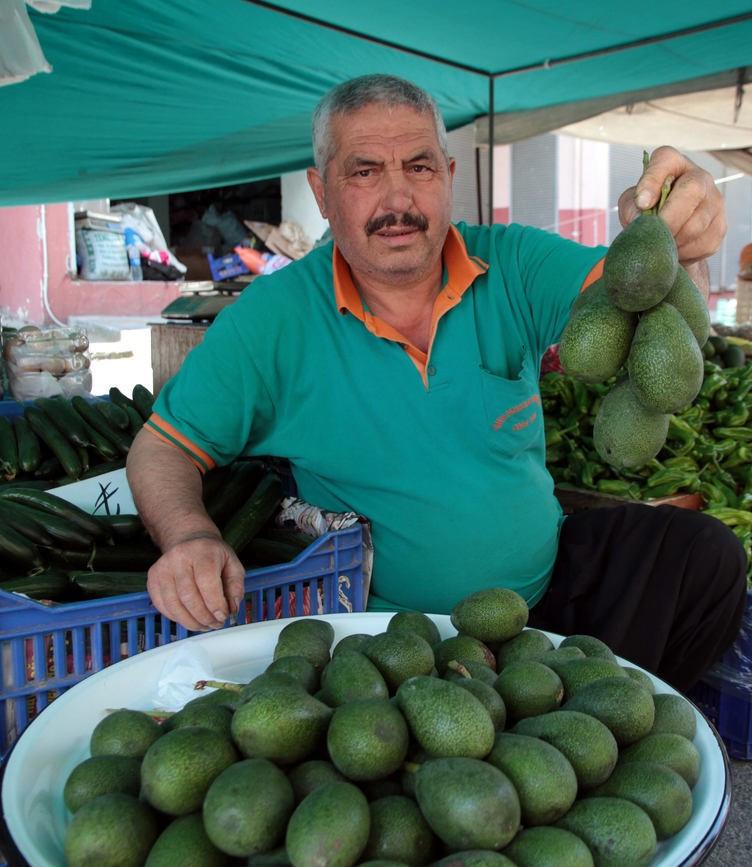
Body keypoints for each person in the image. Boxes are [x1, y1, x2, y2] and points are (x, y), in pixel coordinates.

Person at [126, 74, 746, 692]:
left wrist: (680, 238)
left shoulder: (512, 263)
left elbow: (648, 306)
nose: (397, 199)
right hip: (390, 646)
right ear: (321, 190)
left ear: (448, 176)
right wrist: (189, 536)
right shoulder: (270, 320)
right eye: (364, 171)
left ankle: (602, 728)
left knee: (703, 554)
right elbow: (164, 447)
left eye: (419, 167)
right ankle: (557, 721)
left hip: (547, 592)